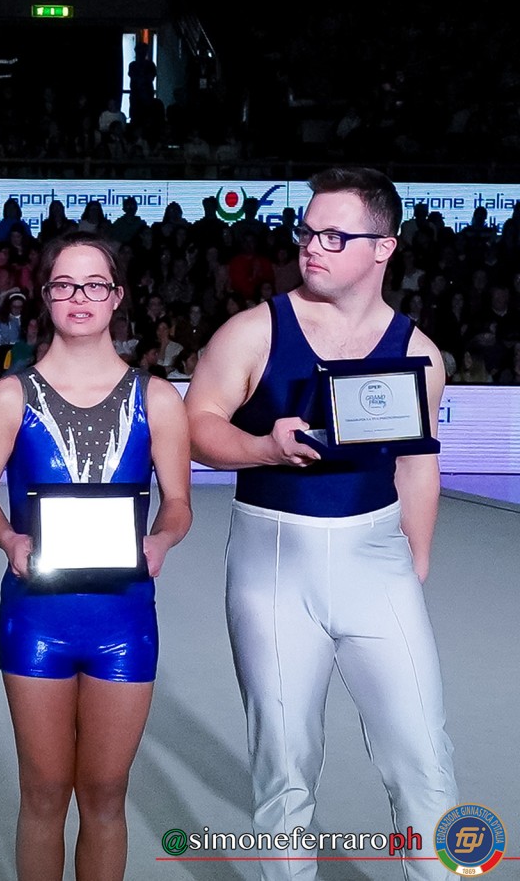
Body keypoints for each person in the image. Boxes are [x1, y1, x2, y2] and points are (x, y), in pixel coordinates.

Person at [184, 167, 457, 881]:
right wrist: (263, 448)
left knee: (424, 759)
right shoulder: (253, 332)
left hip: (379, 561)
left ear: (383, 248)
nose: (312, 245)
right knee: (284, 767)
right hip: (273, 559)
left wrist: (414, 565)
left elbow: (418, 464)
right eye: (307, 231)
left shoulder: (420, 354)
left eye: (335, 236)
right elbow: (196, 426)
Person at [0, 231, 191, 881]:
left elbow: (179, 503)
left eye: (95, 284)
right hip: (36, 618)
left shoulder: (157, 398)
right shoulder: (9, 396)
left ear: (117, 296)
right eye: (65, 284)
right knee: (42, 793)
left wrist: (161, 539)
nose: (79, 297)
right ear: (46, 294)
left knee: (106, 795)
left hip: (124, 620)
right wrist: (8, 538)